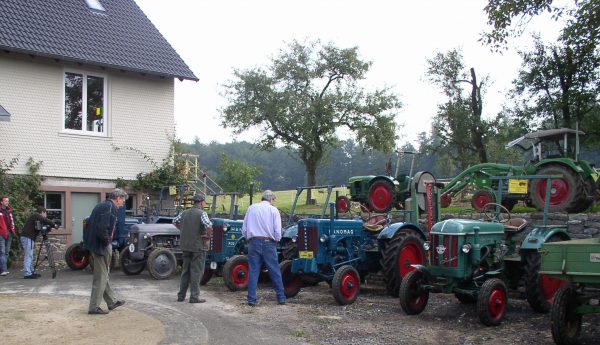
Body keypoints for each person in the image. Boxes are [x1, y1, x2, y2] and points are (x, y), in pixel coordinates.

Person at [84, 188, 128, 315]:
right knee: (101, 276)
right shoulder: (110, 207)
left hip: (95, 244)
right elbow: (102, 228)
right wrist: (106, 243)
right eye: (123, 200)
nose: (123, 203)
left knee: (103, 274)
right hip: (100, 245)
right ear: (118, 198)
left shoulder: (102, 205)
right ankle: (94, 307)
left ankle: (112, 301)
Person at [242, 190, 285, 306]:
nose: (273, 202)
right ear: (270, 199)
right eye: (273, 200)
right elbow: (277, 230)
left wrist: (249, 238)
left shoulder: (251, 208)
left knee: (253, 270)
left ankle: (251, 299)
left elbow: (244, 228)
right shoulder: (273, 210)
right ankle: (281, 298)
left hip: (253, 242)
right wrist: (276, 239)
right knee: (274, 270)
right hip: (268, 242)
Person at [177, 194, 212, 303]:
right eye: (204, 203)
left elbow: (175, 221)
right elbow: (209, 226)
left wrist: (183, 230)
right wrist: (207, 236)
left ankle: (181, 296)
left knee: (185, 271)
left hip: (185, 245)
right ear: (201, 203)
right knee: (196, 271)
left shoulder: (184, 213)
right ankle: (194, 297)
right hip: (197, 246)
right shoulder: (202, 213)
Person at [20, 206, 58, 279]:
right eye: (45, 213)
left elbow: (36, 230)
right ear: (42, 212)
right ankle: (27, 273)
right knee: (28, 255)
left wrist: (33, 241)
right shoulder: (36, 216)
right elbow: (46, 220)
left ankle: (31, 272)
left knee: (30, 255)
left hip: (29, 238)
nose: (45, 215)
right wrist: (54, 225)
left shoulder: (36, 218)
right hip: (27, 237)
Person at [0, 196, 15, 276]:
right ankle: (3, 270)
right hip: (1, 233)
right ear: (1, 202)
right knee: (2, 251)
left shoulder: (8, 211)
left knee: (6, 251)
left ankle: (4, 269)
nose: (7, 202)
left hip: (9, 232)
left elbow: (12, 221)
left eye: (8, 201)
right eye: (5, 201)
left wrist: (13, 229)